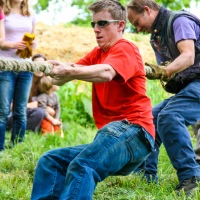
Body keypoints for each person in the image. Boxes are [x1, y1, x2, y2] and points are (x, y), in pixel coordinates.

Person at [31, 0, 155, 199]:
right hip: (114, 136)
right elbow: (65, 76)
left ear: (120, 25)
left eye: (102, 23)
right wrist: (52, 67)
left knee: (83, 165)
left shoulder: (125, 48)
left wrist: (69, 70)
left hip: (134, 132)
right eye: (94, 24)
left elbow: (106, 73)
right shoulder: (98, 53)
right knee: (50, 160)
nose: (96, 29)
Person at [127, 0, 200, 195]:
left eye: (136, 22)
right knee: (149, 119)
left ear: (147, 10)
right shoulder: (156, 37)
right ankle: (145, 175)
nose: (137, 28)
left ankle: (191, 179)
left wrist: (165, 71)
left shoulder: (179, 21)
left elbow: (188, 56)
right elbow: (171, 70)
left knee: (170, 116)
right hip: (189, 87)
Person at [0, 0, 37, 150]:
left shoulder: (31, 14)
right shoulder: (2, 11)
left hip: (25, 66)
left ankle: (16, 147)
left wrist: (33, 45)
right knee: (3, 110)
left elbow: (34, 37)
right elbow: (1, 41)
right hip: (6, 66)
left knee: (21, 111)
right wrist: (14, 45)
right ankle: (0, 149)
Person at [6, 53, 46, 133]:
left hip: (33, 114)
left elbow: (50, 106)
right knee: (38, 112)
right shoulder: (23, 80)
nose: (39, 67)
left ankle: (23, 130)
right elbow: (9, 105)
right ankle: (21, 130)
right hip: (15, 113)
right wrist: (29, 105)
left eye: (42, 65)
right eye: (37, 64)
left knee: (40, 113)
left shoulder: (45, 84)